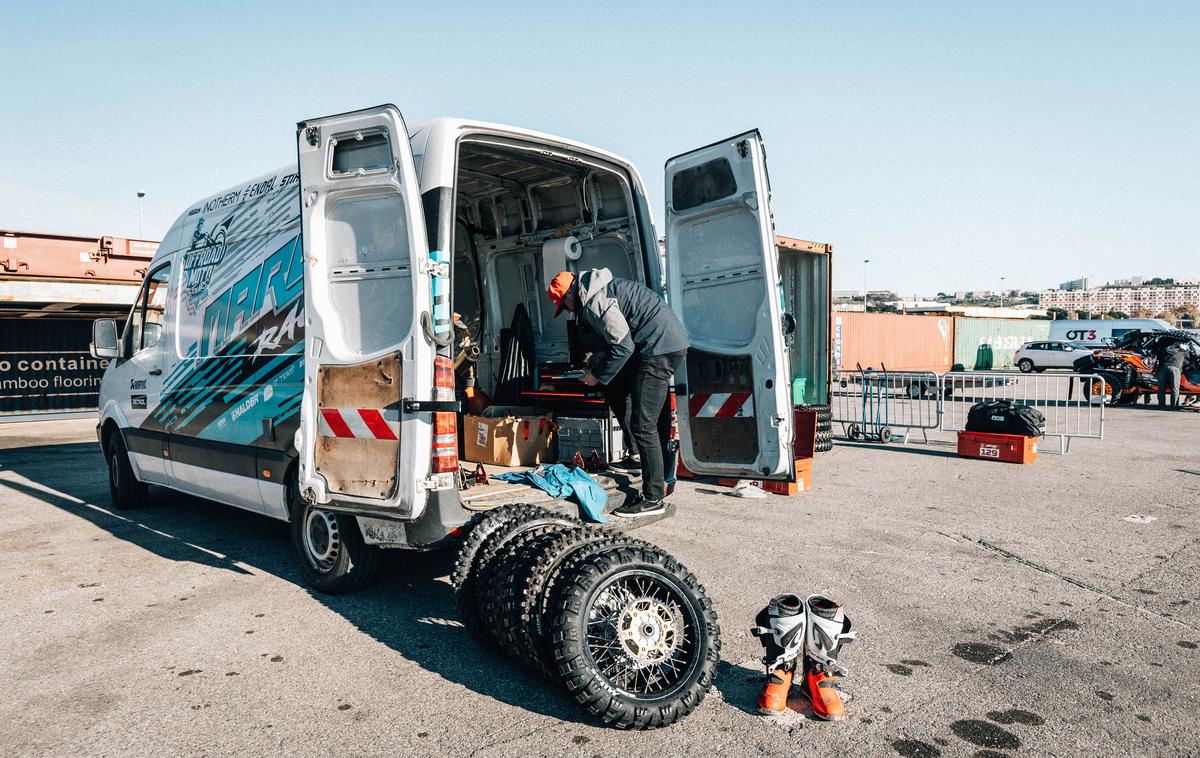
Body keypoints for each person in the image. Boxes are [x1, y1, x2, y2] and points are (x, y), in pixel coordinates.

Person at [547, 269, 688, 517]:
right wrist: (598, 362)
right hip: (660, 344)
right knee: (615, 388)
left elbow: (623, 347)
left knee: (644, 424)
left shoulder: (595, 300)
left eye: (565, 304)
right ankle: (636, 455)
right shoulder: (598, 289)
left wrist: (596, 375)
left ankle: (654, 498)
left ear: (571, 294)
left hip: (658, 349)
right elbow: (618, 340)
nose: (568, 310)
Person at [1156, 340, 1187, 409]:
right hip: (1175, 368)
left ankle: (1161, 406)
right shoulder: (1182, 351)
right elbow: (1191, 358)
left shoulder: (1164, 350)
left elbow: (1157, 357)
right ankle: (1173, 406)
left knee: (1161, 388)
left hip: (1162, 368)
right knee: (1175, 388)